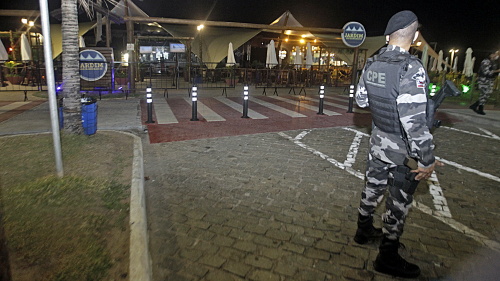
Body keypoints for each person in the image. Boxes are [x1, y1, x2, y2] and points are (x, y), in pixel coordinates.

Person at [353, 10, 443, 278]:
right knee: (398, 199)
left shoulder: (372, 62)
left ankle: (363, 228)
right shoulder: (411, 68)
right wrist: (427, 159)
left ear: (388, 35)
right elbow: (414, 123)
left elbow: (360, 101)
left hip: (378, 140)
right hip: (402, 150)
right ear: (415, 36)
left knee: (373, 185)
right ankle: (387, 255)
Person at [469, 50, 500, 115]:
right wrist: (497, 71)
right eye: (494, 54)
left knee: (487, 94)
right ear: (490, 55)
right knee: (484, 93)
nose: (496, 55)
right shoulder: (485, 61)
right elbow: (486, 72)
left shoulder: (493, 62)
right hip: (483, 80)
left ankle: (475, 105)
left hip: (490, 80)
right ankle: (480, 108)